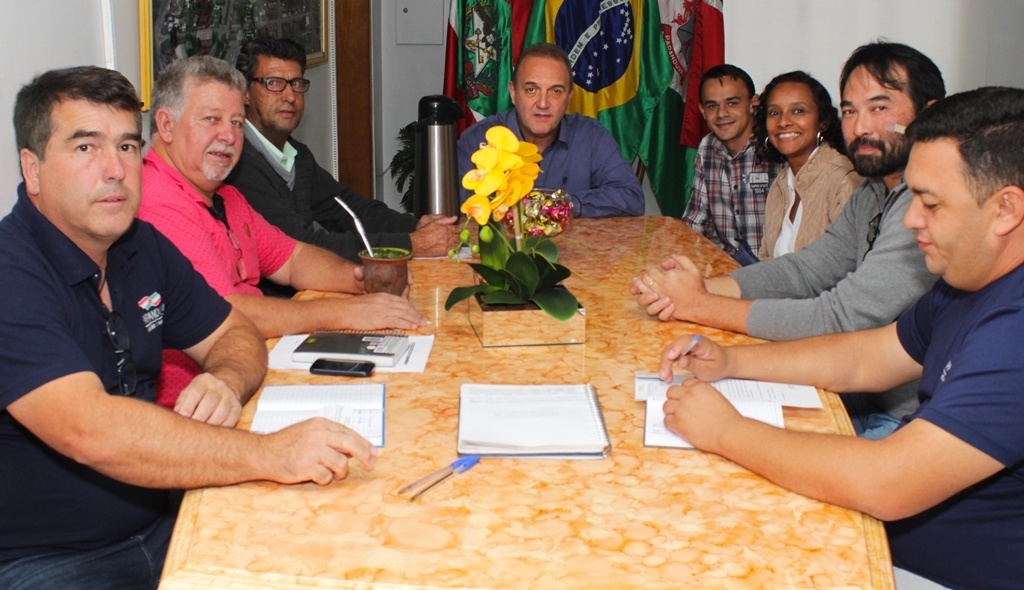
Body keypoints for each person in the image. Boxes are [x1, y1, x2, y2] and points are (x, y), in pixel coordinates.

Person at [0, 66, 376, 589]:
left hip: (170, 520)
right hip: (48, 562)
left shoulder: (139, 245)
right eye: (86, 148)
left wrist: (225, 378)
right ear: (32, 168)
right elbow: (92, 430)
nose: (115, 169)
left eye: (128, 147)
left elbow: (235, 334)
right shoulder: (10, 273)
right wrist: (271, 453)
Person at [658, 86, 1024, 590]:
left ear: (1006, 209)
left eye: (931, 204)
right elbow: (864, 357)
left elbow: (888, 481)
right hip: (872, 538)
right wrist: (731, 362)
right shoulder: (968, 280)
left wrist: (725, 431)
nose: (912, 219)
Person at [634, 42, 945, 438]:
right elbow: (807, 270)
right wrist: (697, 289)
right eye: (851, 110)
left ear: (928, 116)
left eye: (879, 107)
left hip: (906, 416)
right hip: (850, 390)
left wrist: (700, 305)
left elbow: (840, 317)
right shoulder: (873, 191)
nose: (862, 126)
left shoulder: (926, 207)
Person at [137, 56, 427, 408]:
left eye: (237, 123)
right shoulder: (158, 203)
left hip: (261, 366)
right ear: (166, 125)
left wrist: (360, 279)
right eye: (211, 119)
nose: (228, 136)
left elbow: (293, 258)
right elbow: (225, 312)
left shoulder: (224, 193)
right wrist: (348, 312)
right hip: (203, 404)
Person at [226, 37, 460, 268]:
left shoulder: (296, 154)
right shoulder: (238, 164)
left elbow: (348, 209)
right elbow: (301, 247)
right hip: (272, 301)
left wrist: (413, 226)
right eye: (273, 83)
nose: (289, 96)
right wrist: (410, 244)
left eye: (296, 83)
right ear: (245, 93)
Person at [456, 42, 644, 218]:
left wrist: (562, 205)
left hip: (575, 250)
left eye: (556, 91)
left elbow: (631, 198)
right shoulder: (476, 140)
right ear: (513, 93)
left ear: (569, 96)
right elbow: (455, 210)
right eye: (531, 90)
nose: (543, 103)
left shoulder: (590, 135)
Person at [681, 64, 784, 265]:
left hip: (775, 271)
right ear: (702, 110)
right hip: (727, 268)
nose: (721, 114)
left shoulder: (777, 145)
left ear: (753, 103)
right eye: (712, 106)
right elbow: (696, 222)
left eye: (732, 103)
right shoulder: (707, 147)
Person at [753, 71, 862, 259]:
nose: (784, 122)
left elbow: (850, 268)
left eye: (798, 111)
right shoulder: (780, 183)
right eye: (775, 113)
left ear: (823, 122)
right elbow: (766, 260)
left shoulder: (844, 180)